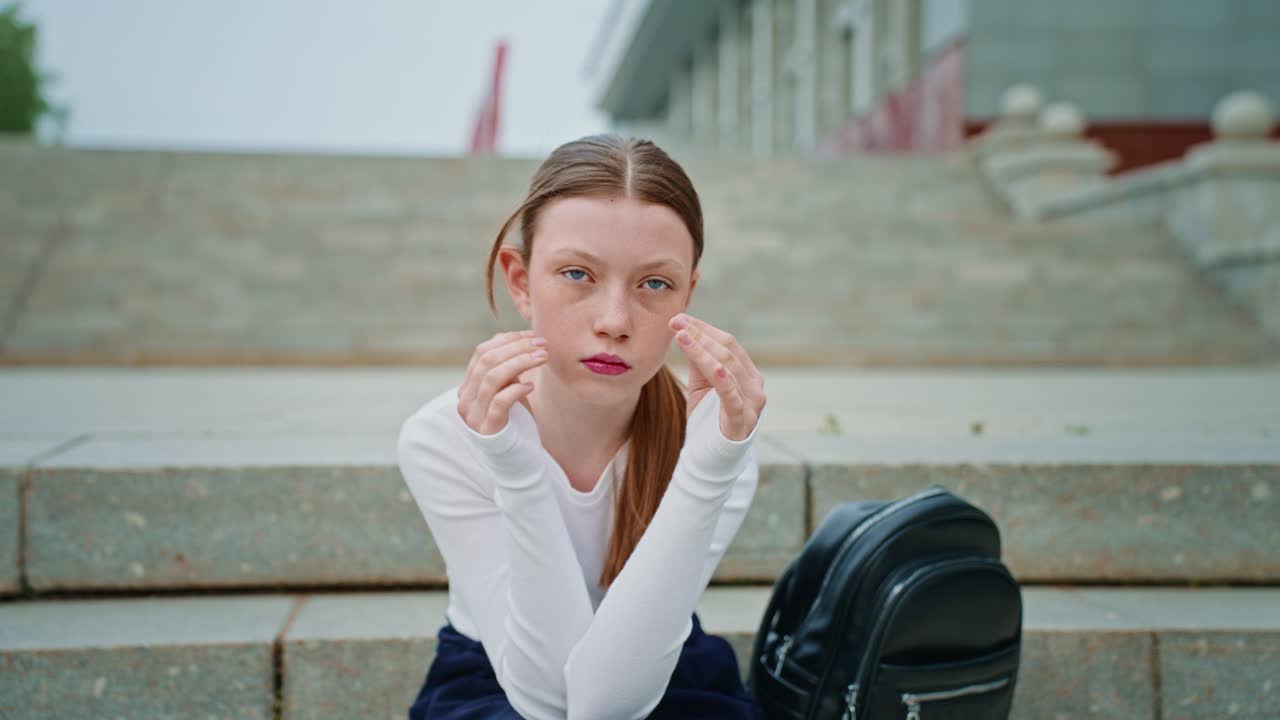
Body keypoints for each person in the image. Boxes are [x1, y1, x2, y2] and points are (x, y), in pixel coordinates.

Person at [396, 134, 768, 720]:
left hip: (659, 659)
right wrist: (513, 466)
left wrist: (707, 467)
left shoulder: (712, 447)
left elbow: (606, 703)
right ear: (520, 282)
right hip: (491, 669)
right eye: (577, 273)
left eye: (654, 284)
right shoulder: (442, 437)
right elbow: (546, 702)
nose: (615, 321)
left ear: (687, 296)